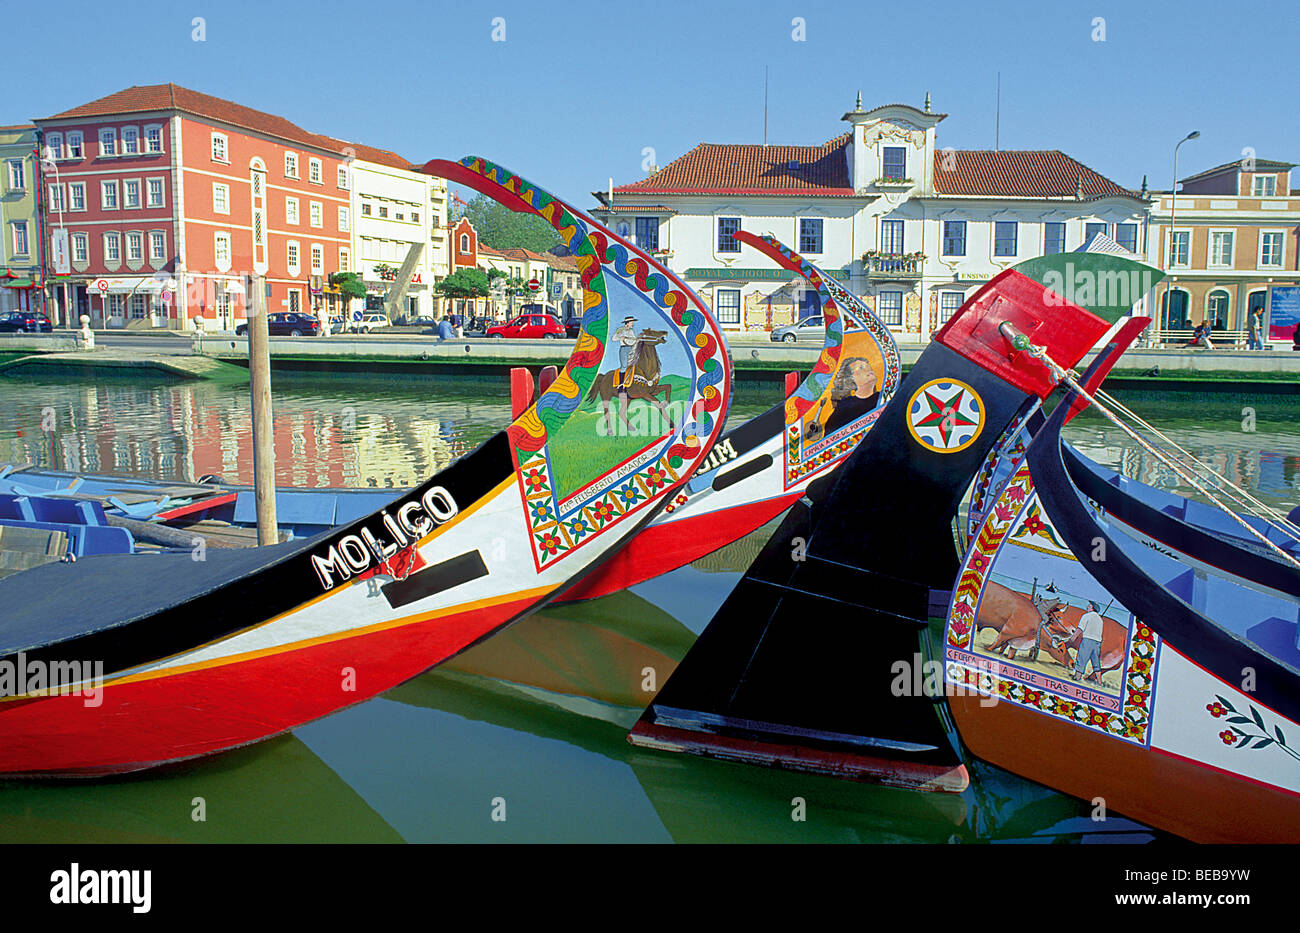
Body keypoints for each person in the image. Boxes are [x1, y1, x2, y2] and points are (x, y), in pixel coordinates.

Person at [1070, 600, 1106, 684]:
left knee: (1081, 658)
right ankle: (1099, 681)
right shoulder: (1100, 619)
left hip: (1087, 640)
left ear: (1092, 608)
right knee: (1095, 661)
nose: (1087, 607)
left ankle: (1077, 677)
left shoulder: (1086, 616)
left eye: (1089, 606)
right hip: (1097, 643)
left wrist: (1073, 637)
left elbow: (1080, 629)